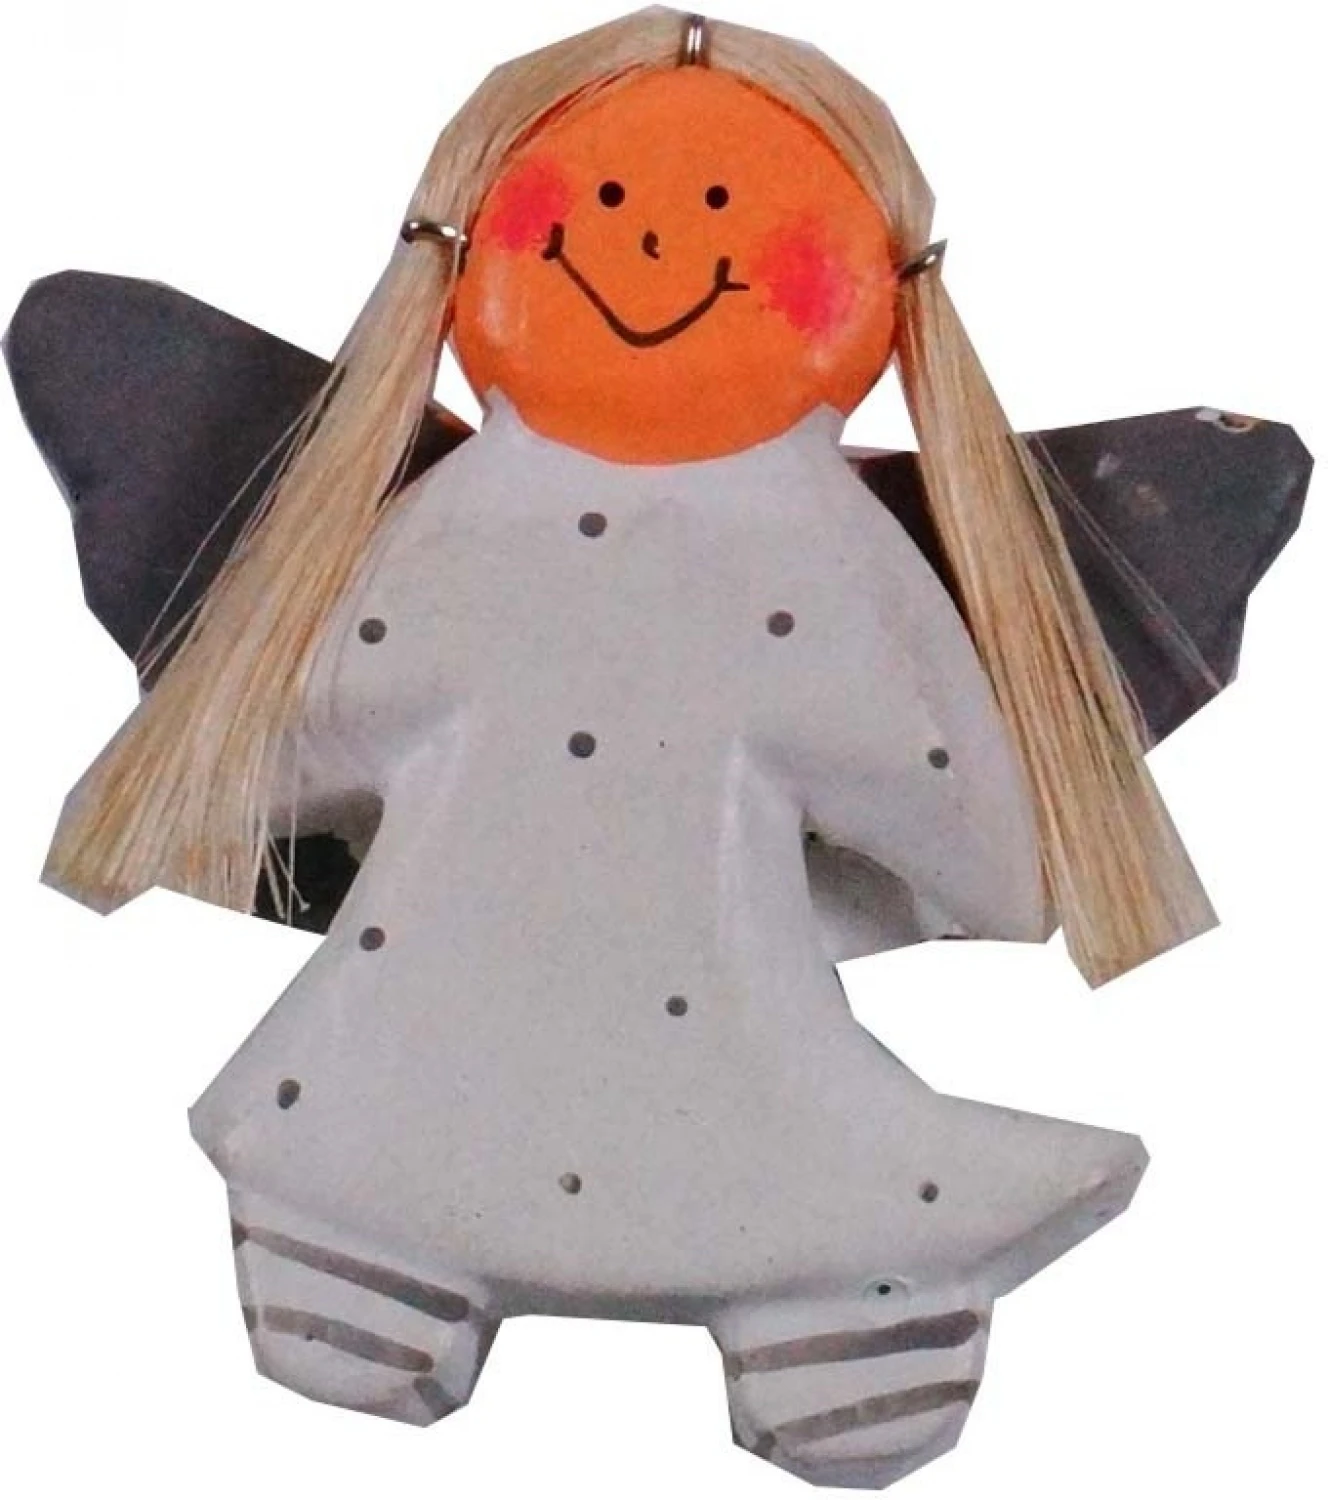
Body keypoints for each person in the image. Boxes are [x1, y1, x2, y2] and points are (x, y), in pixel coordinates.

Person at [40, 8, 1203, 1488]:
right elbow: (314, 715)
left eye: (725, 213)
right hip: (407, 1051)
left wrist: (996, 859)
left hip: (725, 1030)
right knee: (366, 1172)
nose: (650, 242)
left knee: (798, 1174)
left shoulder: (824, 566)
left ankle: (838, 1302)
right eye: (596, 201)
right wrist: (190, 794)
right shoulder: (453, 533)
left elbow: (942, 797)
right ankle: (375, 1253)